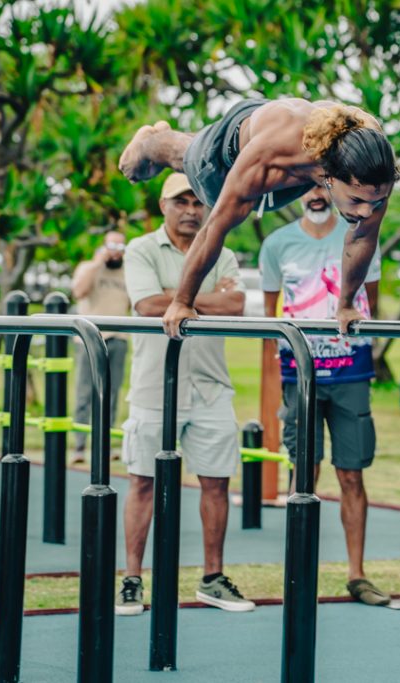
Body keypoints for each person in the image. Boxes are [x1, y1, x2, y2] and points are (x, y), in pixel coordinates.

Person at [117, 99, 398, 337]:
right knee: (185, 159)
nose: (365, 211)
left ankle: (180, 139)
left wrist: (346, 304)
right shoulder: (272, 155)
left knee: (366, 210)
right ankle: (150, 144)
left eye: (375, 201)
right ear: (329, 176)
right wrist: (182, 301)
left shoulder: (375, 168)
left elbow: (362, 237)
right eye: (357, 201)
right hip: (228, 154)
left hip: (284, 142)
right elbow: (215, 227)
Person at [116, 173, 253, 615]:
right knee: (142, 481)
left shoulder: (223, 251)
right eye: (182, 201)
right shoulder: (141, 250)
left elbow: (235, 305)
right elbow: (147, 305)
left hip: (211, 386)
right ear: (163, 205)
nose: (192, 209)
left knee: (216, 483)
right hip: (155, 386)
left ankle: (212, 578)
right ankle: (132, 580)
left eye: (199, 201)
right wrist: (203, 295)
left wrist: (179, 298)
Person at [258, 185, 389, 605]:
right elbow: (269, 319)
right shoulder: (277, 244)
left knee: (351, 474)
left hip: (350, 372)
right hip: (301, 375)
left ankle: (357, 574)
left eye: (322, 187)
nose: (315, 195)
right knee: (304, 474)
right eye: (306, 187)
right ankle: (301, 572)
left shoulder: (361, 236)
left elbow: (373, 303)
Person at [69, 231, 131, 463]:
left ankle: (104, 444)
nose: (117, 250)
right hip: (88, 339)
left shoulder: (128, 272)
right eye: (112, 245)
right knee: (84, 392)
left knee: (112, 394)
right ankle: (79, 446)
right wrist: (98, 263)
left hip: (118, 338)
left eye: (121, 246)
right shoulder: (88, 267)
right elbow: (78, 292)